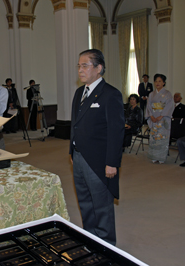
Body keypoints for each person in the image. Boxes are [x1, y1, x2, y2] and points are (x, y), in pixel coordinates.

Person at [69, 49, 124, 245]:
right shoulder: (79, 93)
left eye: (85, 65)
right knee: (85, 203)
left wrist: (112, 163)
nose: (80, 70)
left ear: (99, 68)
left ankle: (107, 245)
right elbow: (75, 124)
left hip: (99, 161)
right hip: (79, 158)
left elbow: (116, 133)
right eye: (79, 65)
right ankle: (91, 241)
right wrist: (71, 151)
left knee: (102, 206)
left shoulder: (111, 95)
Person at [146, 74, 174, 164]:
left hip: (163, 119)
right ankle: (154, 156)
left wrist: (161, 116)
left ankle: (161, 157)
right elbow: (149, 107)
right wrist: (151, 116)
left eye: (160, 81)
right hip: (154, 118)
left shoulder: (168, 94)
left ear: (163, 83)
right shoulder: (151, 94)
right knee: (154, 138)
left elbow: (169, 107)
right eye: (156, 81)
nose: (157, 83)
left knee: (162, 138)